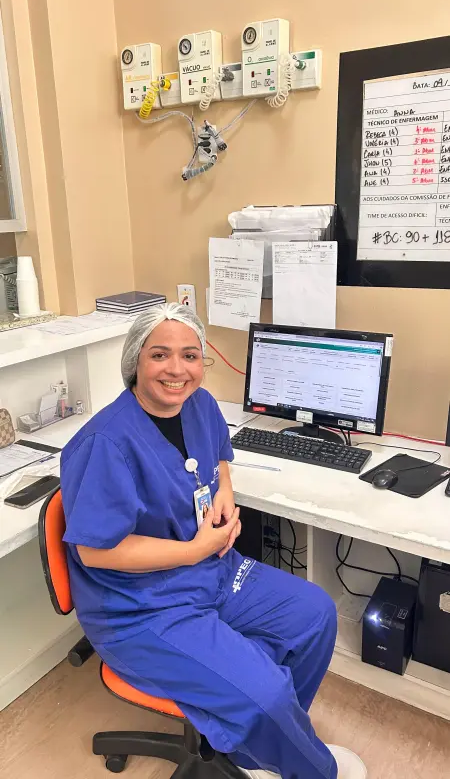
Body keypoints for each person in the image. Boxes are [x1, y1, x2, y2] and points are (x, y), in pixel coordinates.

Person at [61, 303, 367, 779]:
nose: (177, 369)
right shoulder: (105, 442)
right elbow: (94, 550)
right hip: (140, 609)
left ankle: (260, 749)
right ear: (135, 361)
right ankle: (307, 765)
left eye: (190, 355)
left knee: (315, 614)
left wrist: (225, 492)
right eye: (160, 355)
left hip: (211, 572)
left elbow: (219, 456)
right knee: (266, 693)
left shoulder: (200, 404)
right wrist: (196, 550)